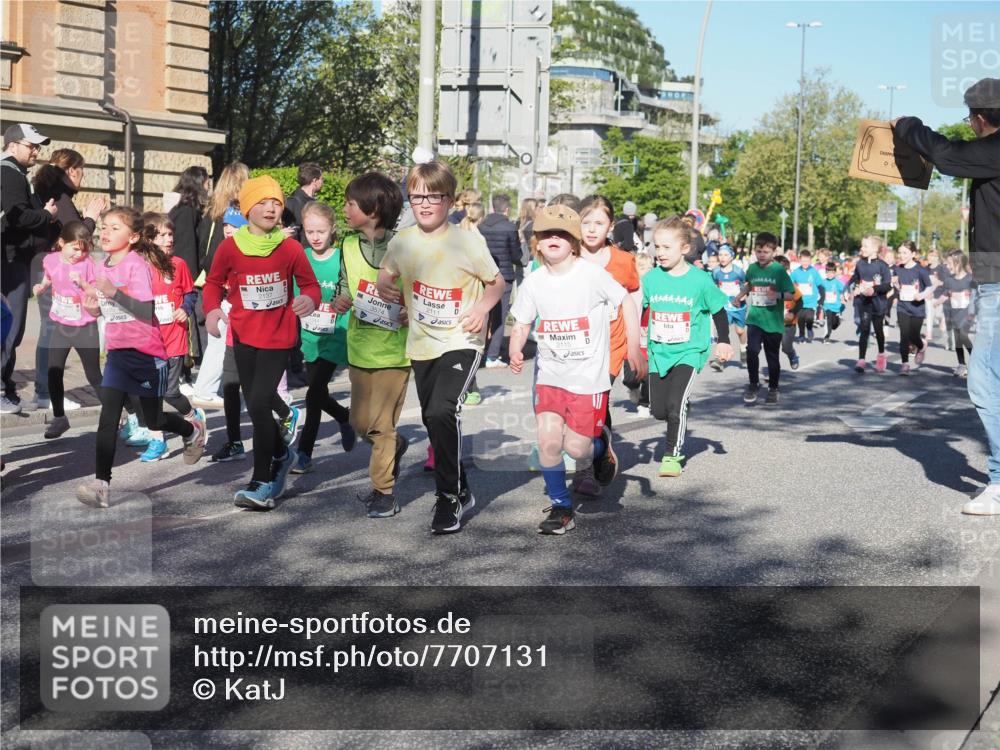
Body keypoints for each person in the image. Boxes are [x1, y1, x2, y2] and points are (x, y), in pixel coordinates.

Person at [376, 161, 505, 534]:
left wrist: (481, 309)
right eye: (417, 197)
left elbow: (495, 284)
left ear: (449, 201)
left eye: (434, 196)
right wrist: (390, 291)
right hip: (422, 342)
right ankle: (461, 485)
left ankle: (448, 497)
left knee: (441, 408)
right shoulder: (403, 241)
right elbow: (388, 275)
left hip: (462, 340)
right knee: (434, 419)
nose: (425, 204)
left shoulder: (467, 240)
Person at [893, 77, 1000, 515]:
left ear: (977, 119)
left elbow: (943, 153)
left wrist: (906, 124)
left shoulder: (993, 150)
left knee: (982, 378)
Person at [508, 205, 642, 534]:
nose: (554, 238)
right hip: (550, 377)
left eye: (563, 234)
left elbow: (625, 301)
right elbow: (522, 321)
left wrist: (635, 346)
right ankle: (561, 507)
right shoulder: (534, 282)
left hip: (588, 379)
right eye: (547, 234)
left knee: (576, 448)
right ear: (537, 242)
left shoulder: (591, 275)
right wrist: (515, 346)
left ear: (575, 242)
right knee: (550, 442)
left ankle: (600, 447)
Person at [75, 207, 207, 507]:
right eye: (104, 227)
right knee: (107, 419)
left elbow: (146, 312)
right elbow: (104, 309)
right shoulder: (101, 265)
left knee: (153, 419)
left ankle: (191, 429)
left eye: (113, 228)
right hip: (119, 354)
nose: (105, 232)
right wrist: (93, 306)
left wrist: (113, 292)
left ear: (133, 236)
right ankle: (101, 486)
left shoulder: (137, 265)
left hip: (148, 355)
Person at [203, 175, 321, 509]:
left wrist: (309, 301)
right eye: (263, 202)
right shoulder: (231, 247)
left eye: (276, 203)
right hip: (242, 334)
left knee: (256, 403)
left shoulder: (289, 247)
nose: (271, 208)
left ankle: (261, 481)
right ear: (246, 207)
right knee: (256, 398)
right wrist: (211, 311)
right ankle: (283, 454)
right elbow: (213, 284)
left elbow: (310, 285)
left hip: (278, 337)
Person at [330, 171, 409, 517]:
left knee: (381, 424)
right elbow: (344, 286)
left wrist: (411, 308)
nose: (345, 209)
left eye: (350, 203)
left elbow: (421, 290)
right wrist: (341, 302)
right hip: (359, 346)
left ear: (373, 208)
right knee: (360, 423)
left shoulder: (406, 246)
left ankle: (384, 492)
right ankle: (394, 444)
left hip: (395, 350)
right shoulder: (347, 245)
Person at [643, 217, 729, 477]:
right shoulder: (651, 279)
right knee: (658, 410)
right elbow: (644, 311)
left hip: (689, 351)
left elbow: (718, 310)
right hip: (658, 352)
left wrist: (723, 341)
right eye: (657, 247)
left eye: (666, 248)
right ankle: (678, 409)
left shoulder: (700, 280)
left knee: (675, 403)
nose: (660, 253)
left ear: (684, 248)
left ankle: (672, 455)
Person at [28, 148, 107, 412]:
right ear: (72, 170)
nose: (82, 175)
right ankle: (45, 391)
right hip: (55, 267)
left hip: (47, 264)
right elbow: (78, 236)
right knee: (52, 329)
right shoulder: (60, 197)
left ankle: (45, 391)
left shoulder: (54, 193)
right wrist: (92, 218)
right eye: (81, 169)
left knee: (50, 329)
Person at [577, 195, 640, 496]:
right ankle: (601, 447)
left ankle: (588, 468)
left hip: (611, 345)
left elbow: (635, 298)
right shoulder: (567, 257)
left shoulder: (623, 261)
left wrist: (636, 343)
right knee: (578, 406)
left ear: (611, 226)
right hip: (575, 344)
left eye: (598, 223)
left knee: (595, 399)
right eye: (585, 222)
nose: (591, 229)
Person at [291, 200, 355, 473]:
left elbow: (350, 289)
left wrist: (344, 300)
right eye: (310, 231)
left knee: (313, 393)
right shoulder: (300, 257)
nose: (315, 237)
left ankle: (304, 454)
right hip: (309, 336)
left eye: (321, 231)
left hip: (336, 334)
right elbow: (294, 292)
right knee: (319, 393)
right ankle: (344, 416)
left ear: (332, 230)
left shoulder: (342, 257)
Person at [136, 212, 202, 461]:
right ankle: (157, 442)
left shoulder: (179, 265)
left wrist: (185, 310)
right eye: (161, 235)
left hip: (174, 339)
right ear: (149, 239)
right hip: (149, 340)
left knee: (170, 393)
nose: (168, 239)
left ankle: (192, 418)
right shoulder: (140, 266)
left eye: (170, 234)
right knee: (148, 394)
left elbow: (191, 293)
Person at [1, 123, 56, 414]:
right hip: (9, 260)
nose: (36, 151)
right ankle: (1, 388)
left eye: (38, 146)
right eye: (31, 145)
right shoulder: (9, 172)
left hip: (13, 259)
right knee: (10, 324)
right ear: (13, 145)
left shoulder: (16, 173)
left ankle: (6, 388)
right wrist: (45, 215)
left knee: (11, 325)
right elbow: (18, 216)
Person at [31, 221, 103, 439]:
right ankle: (60, 418)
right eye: (74, 247)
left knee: (94, 375)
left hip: (85, 326)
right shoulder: (50, 259)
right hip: (61, 324)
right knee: (54, 372)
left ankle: (121, 411)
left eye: (83, 249)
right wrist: (42, 286)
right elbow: (49, 277)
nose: (78, 253)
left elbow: (97, 291)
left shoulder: (88, 264)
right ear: (61, 243)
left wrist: (82, 283)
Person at [734, 232, 795, 405]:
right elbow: (749, 285)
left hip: (773, 322)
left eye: (766, 252)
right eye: (759, 251)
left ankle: (773, 388)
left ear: (774, 252)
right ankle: (753, 384)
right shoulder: (752, 269)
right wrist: (739, 297)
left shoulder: (778, 270)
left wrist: (777, 294)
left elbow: (791, 294)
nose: (761, 255)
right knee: (752, 351)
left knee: (772, 357)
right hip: (755, 318)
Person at [477, 193, 521, 369]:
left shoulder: (481, 226)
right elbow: (516, 254)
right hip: (505, 276)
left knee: (484, 314)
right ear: (507, 209)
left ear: (493, 207)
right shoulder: (509, 227)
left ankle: (479, 352)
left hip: (483, 276)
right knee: (500, 318)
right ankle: (492, 356)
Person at [851, 235, 893, 373]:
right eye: (862, 245)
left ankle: (881, 354)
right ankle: (861, 360)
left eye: (865, 246)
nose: (861, 248)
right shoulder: (860, 263)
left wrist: (874, 289)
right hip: (864, 302)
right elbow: (856, 279)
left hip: (878, 303)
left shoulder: (883, 266)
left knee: (878, 331)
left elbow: (887, 286)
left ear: (875, 249)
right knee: (864, 330)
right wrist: (856, 287)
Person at [892, 241, 932, 375]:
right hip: (902, 306)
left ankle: (921, 345)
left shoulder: (921, 270)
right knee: (904, 335)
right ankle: (905, 364)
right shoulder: (897, 269)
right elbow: (898, 286)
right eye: (900, 252)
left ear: (913, 254)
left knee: (913, 335)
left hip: (917, 308)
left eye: (905, 253)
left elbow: (929, 286)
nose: (901, 255)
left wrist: (921, 295)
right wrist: (895, 286)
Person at [934, 250, 976, 377]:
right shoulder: (949, 281)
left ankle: (976, 360)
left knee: (963, 335)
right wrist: (937, 302)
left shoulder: (970, 279)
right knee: (958, 339)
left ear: (959, 263)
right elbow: (946, 294)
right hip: (954, 314)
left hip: (967, 314)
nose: (947, 266)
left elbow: (977, 295)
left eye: (949, 263)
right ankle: (962, 364)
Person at [710, 243, 747, 370]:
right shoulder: (715, 272)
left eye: (725, 255)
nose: (722, 257)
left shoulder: (738, 271)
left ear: (731, 257)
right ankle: (719, 359)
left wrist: (743, 295)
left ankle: (743, 349)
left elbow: (747, 283)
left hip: (738, 306)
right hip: (724, 307)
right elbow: (713, 285)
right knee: (722, 331)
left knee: (740, 331)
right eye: (720, 255)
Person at [281, 162, 323, 244]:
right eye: (322, 179)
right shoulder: (292, 203)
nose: (322, 182)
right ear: (315, 181)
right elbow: (289, 234)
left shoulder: (314, 203)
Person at [790, 249, 823, 342]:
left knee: (809, 318)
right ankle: (801, 334)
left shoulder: (814, 272)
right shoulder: (795, 272)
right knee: (800, 319)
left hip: (811, 301)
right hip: (800, 301)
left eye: (807, 261)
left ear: (810, 260)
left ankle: (809, 329)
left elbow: (820, 285)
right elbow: (790, 283)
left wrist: (821, 300)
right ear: (800, 260)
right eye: (803, 261)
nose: (805, 263)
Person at [776, 255, 802, 371]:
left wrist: (792, 312)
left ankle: (791, 354)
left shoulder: (791, 287)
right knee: (772, 348)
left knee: (785, 347)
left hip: (789, 324)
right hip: (774, 323)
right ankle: (774, 372)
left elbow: (800, 302)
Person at [819, 261, 847, 343]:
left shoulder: (838, 282)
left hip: (836, 306)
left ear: (835, 273)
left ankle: (837, 322)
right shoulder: (823, 282)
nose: (830, 274)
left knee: (833, 324)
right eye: (828, 272)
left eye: (832, 273)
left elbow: (844, 290)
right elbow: (819, 291)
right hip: (826, 306)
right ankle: (826, 336)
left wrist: (844, 298)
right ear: (826, 272)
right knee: (828, 320)